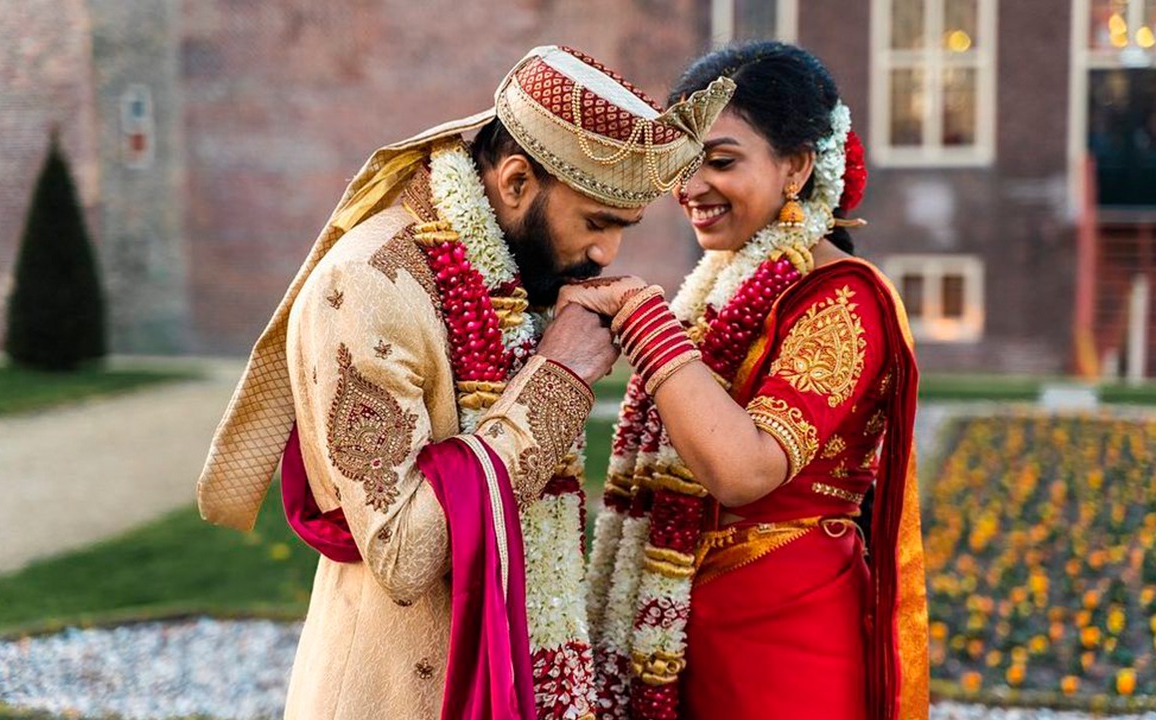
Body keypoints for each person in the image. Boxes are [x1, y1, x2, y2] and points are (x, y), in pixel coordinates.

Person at [195, 45, 733, 720]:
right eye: (596, 223)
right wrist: (558, 379)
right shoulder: (367, 285)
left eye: (622, 229)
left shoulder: (513, 272)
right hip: (397, 693)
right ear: (515, 182)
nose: (606, 254)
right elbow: (403, 552)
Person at [568, 41, 929, 720]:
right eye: (683, 163)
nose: (691, 187)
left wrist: (646, 322)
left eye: (721, 161)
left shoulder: (843, 298)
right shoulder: (722, 289)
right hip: (686, 629)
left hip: (786, 642)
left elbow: (745, 470)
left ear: (796, 167)